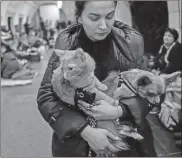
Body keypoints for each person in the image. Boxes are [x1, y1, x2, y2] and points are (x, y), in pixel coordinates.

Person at [37, 1, 157, 157]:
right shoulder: (66, 47)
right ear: (79, 17)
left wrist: (119, 110)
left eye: (110, 16)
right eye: (94, 18)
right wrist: (85, 131)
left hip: (128, 142)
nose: (103, 26)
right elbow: (46, 96)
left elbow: (151, 91)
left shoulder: (129, 45)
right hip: (77, 146)